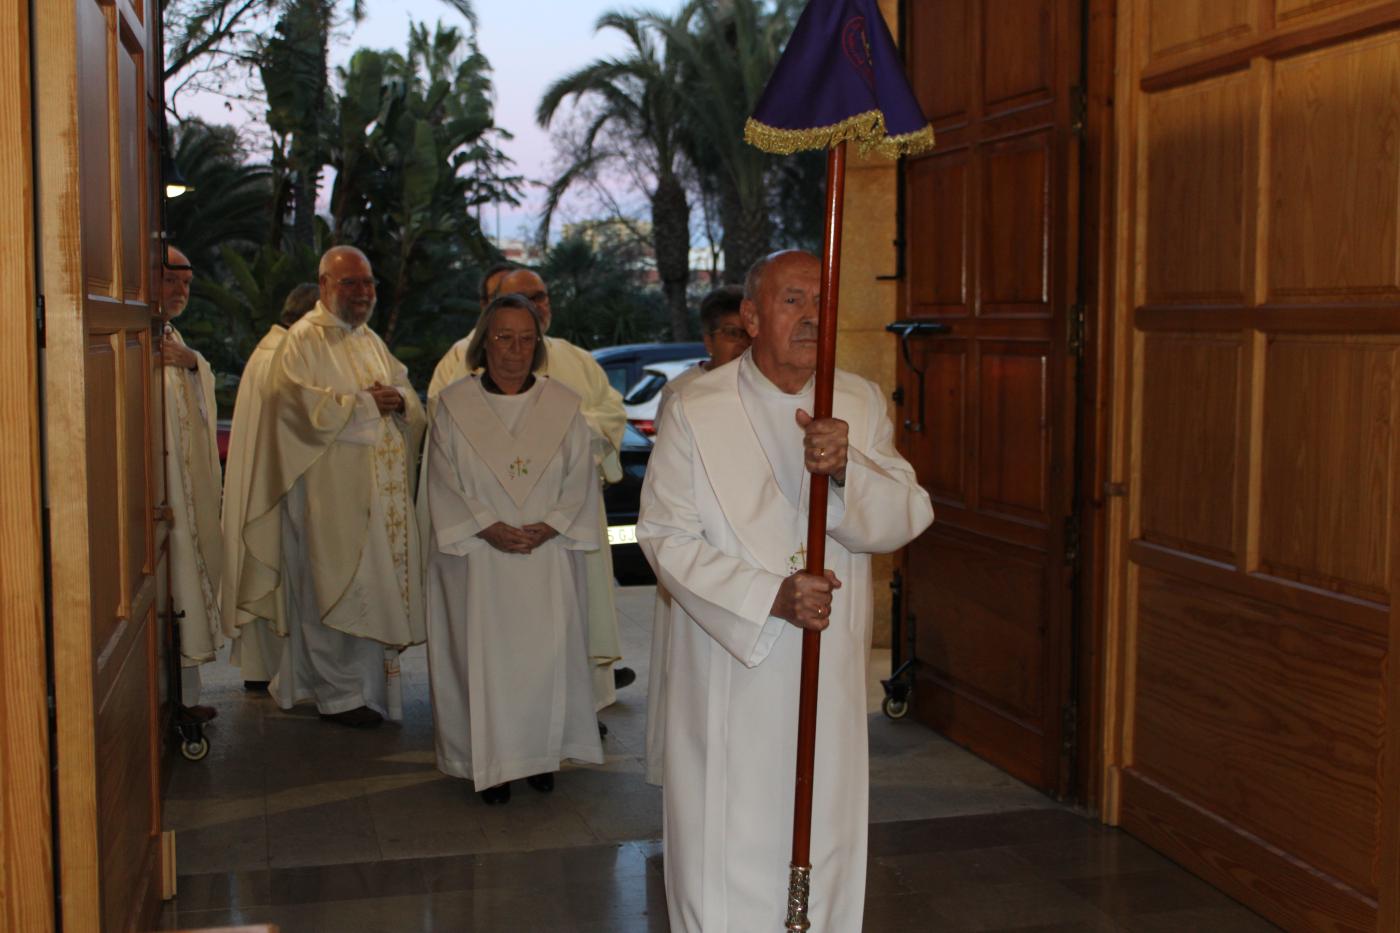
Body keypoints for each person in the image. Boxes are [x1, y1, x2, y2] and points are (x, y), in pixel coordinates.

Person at [637, 250, 934, 931]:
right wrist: (768, 595)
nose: (810, 316)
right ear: (750, 315)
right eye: (792, 299)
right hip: (729, 670)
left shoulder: (855, 399)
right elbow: (664, 536)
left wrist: (844, 472)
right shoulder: (694, 408)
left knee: (822, 841)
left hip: (823, 679)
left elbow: (907, 515)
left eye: (821, 301)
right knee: (725, 852)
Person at [425, 294, 605, 805]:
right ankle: (493, 763)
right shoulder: (454, 406)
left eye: (527, 339)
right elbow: (443, 480)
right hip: (481, 563)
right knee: (484, 662)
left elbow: (579, 477)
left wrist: (551, 524)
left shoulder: (562, 404)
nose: (515, 349)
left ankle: (541, 755)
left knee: (546, 661)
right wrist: (486, 527)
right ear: (484, 342)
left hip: (545, 559)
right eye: (504, 337)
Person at [426, 266, 633, 710]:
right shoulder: (458, 363)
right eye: (505, 334)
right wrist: (485, 522)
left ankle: (576, 712)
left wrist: (566, 436)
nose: (534, 311)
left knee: (558, 636)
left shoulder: (574, 361)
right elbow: (443, 448)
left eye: (540, 297)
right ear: (488, 319)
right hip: (485, 542)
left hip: (555, 528)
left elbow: (609, 415)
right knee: (489, 647)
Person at [237, 246, 428, 729]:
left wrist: (400, 402)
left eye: (368, 283)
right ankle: (338, 696)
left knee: (370, 592)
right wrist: (365, 404)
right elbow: (290, 404)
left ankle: (369, 690)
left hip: (376, 500)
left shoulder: (368, 340)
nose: (362, 292)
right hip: (327, 501)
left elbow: (405, 391)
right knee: (331, 592)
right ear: (323, 285)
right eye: (350, 283)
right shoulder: (303, 340)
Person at [644, 284, 750, 786]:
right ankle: (683, 770)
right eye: (732, 334)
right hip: (695, 548)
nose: (743, 344)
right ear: (708, 341)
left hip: (747, 548)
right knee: (687, 670)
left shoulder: (763, 388)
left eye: (749, 332)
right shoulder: (683, 393)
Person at [221, 282, 319, 692]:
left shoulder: (270, 350)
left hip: (265, 488)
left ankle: (263, 669)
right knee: (279, 577)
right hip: (276, 494)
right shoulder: (283, 358)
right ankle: (277, 672)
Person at [160, 246, 223, 721]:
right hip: (159, 489)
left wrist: (192, 362)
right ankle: (168, 700)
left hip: (182, 486)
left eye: (187, 283)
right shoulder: (133, 338)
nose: (181, 291)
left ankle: (182, 698)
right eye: (172, 280)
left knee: (184, 584)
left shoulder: (170, 335)